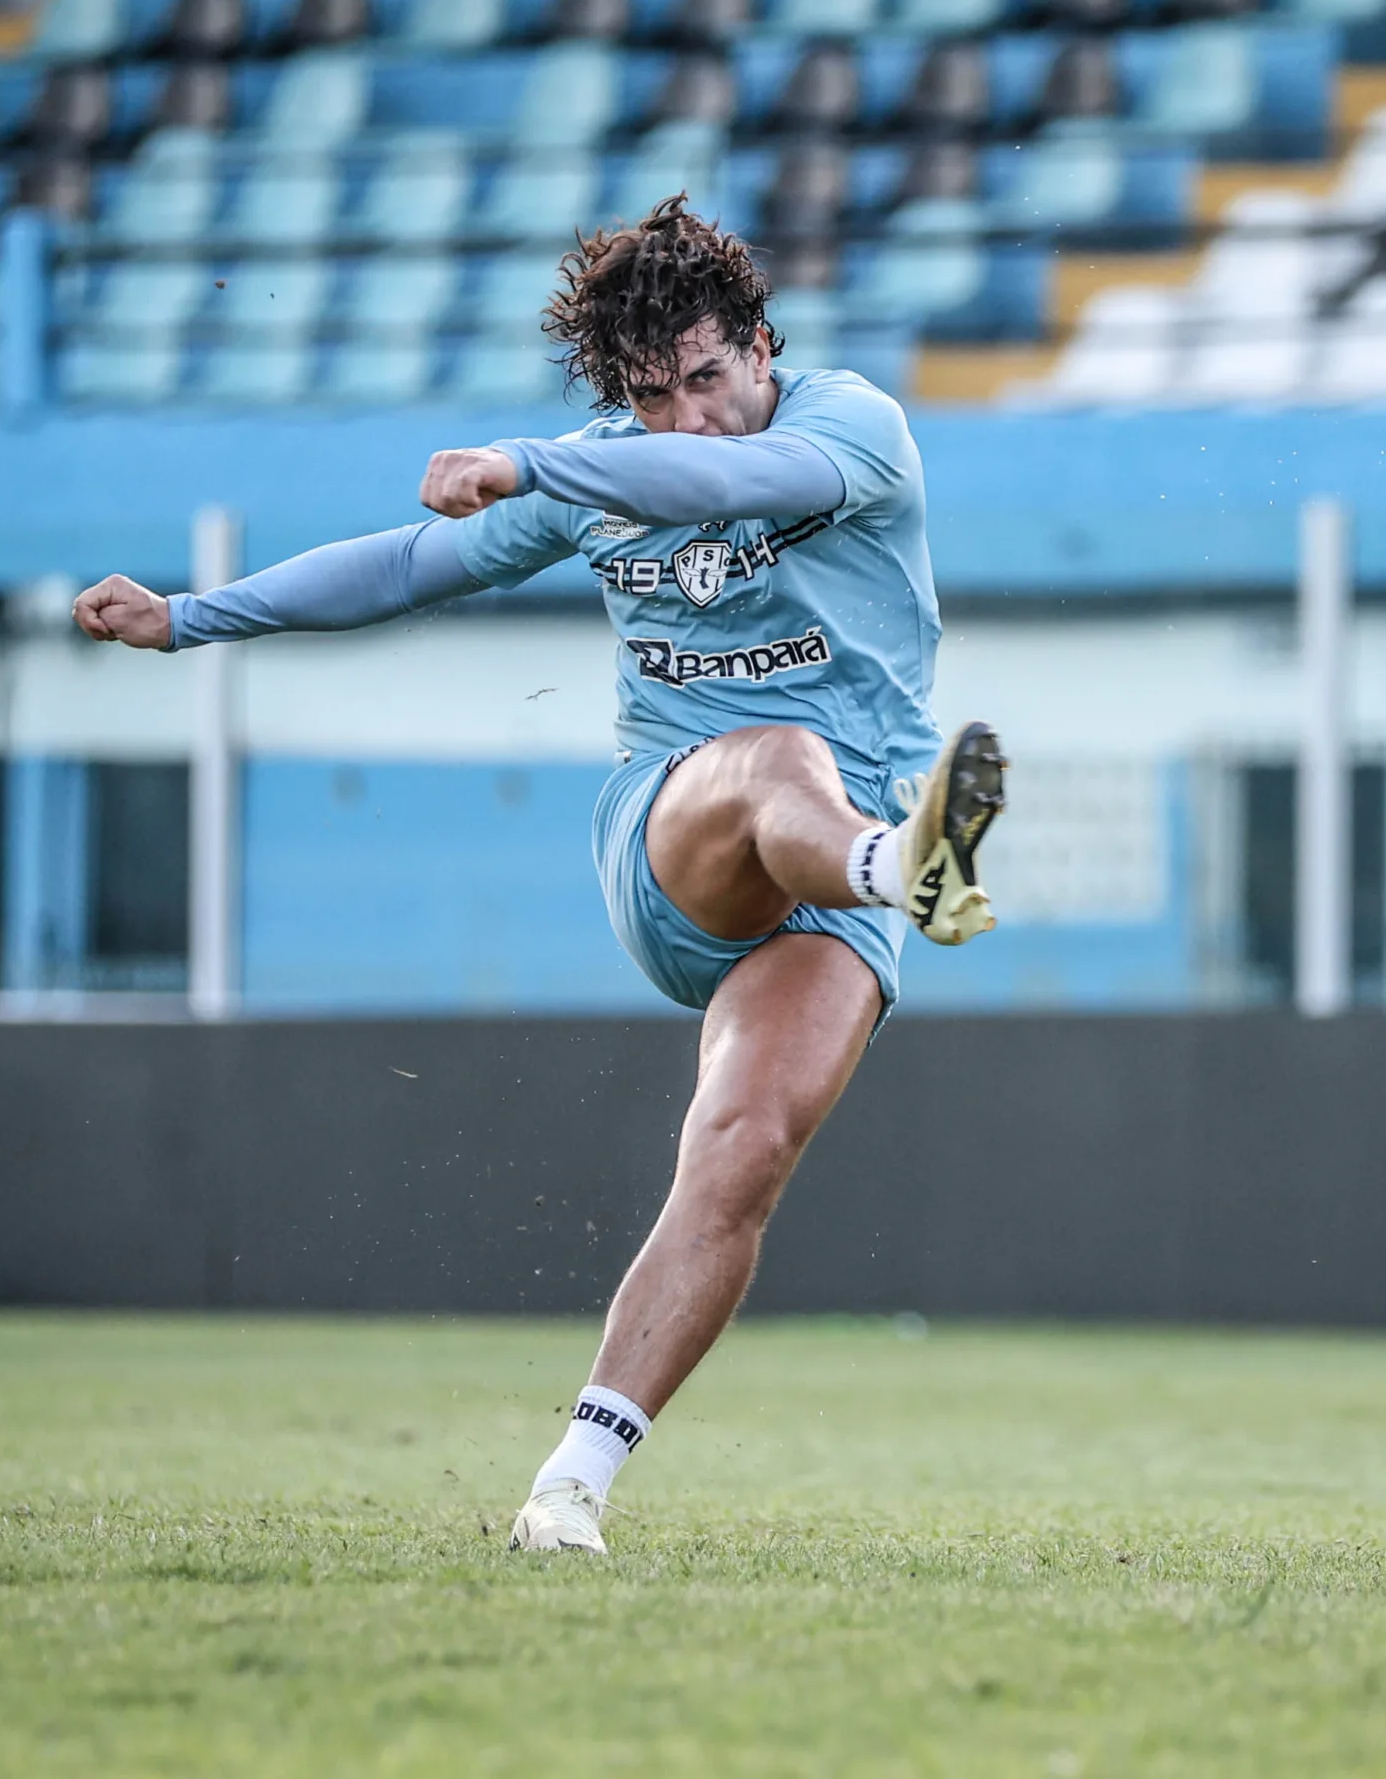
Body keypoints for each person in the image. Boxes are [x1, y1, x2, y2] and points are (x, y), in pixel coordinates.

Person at [72, 196, 1007, 1555]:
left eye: (706, 377)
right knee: (772, 753)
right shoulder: (598, 468)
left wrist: (535, 462)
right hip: (678, 849)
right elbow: (405, 566)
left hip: (822, 908)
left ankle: (569, 1485)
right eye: (649, 396)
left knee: (740, 1157)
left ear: (761, 344)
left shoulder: (851, 427)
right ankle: (903, 858)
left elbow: (733, 485)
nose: (684, 418)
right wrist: (190, 616)